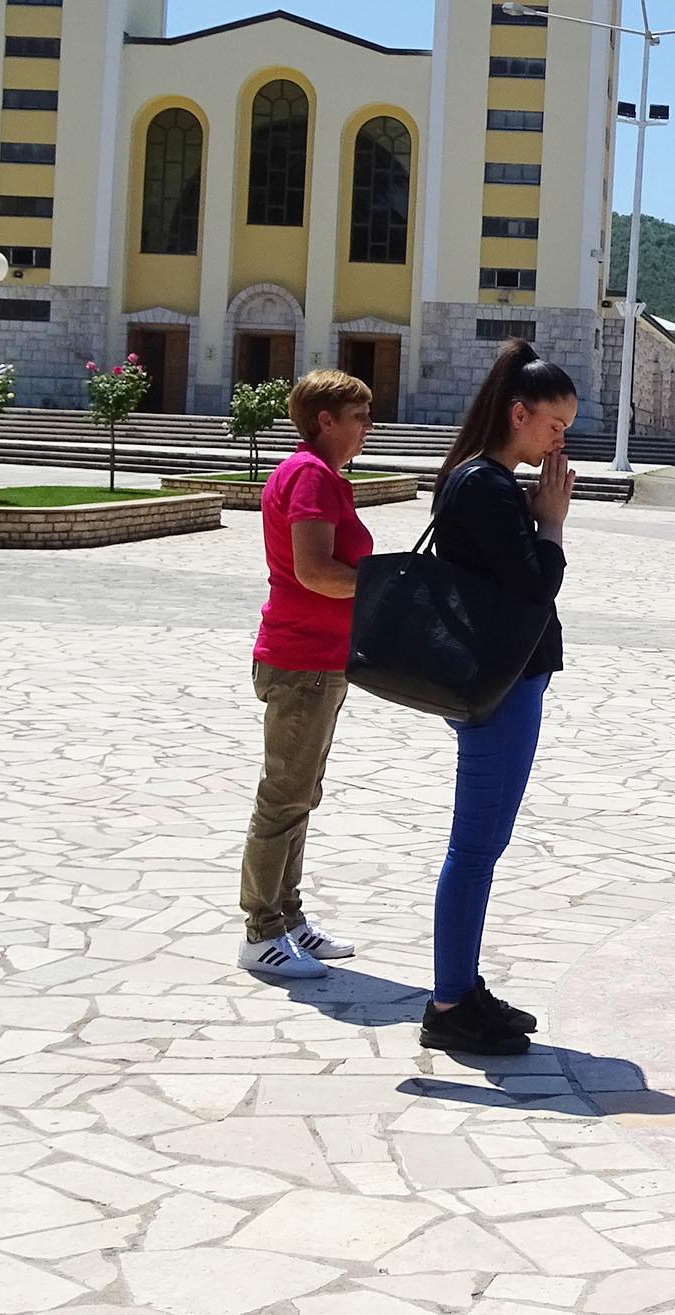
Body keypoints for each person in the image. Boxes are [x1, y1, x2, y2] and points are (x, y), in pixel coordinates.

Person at [420, 339, 578, 1057]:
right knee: (475, 846)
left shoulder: (484, 480)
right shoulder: (483, 485)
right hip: (499, 689)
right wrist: (551, 522)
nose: (560, 442)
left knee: (483, 843)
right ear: (519, 413)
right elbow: (531, 586)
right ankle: (450, 1000)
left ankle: (464, 988)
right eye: (554, 425)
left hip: (505, 683)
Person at [237, 369, 377, 983]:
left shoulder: (324, 478)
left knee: (300, 795)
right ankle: (260, 931)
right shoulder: (311, 477)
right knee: (283, 797)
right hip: (301, 661)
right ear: (325, 420)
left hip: (321, 660)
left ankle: (288, 917)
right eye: (359, 416)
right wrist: (388, 587)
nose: (367, 427)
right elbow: (315, 571)